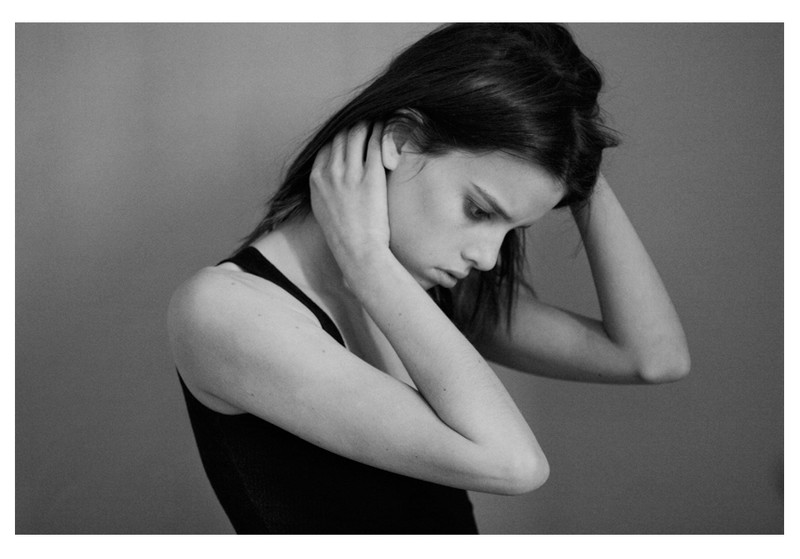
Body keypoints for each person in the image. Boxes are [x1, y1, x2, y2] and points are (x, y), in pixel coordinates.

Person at [167, 23, 690, 534]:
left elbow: (652, 357)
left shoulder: (422, 292)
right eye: (479, 210)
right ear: (402, 139)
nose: (488, 258)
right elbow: (514, 465)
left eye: (513, 229)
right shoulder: (223, 311)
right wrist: (365, 259)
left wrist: (574, 142)